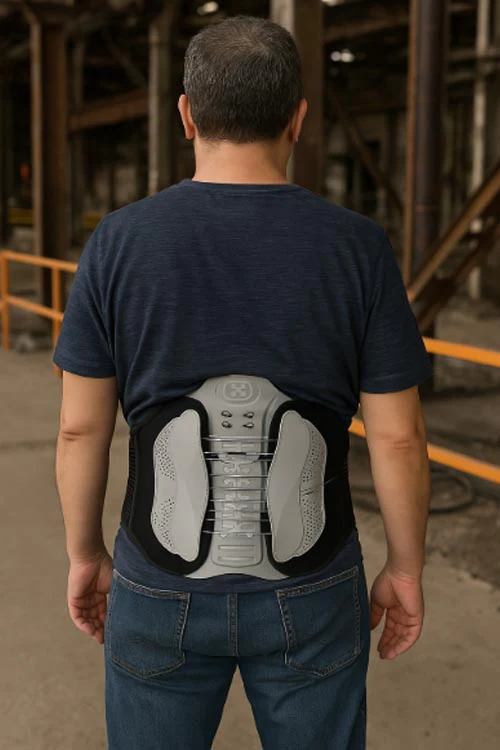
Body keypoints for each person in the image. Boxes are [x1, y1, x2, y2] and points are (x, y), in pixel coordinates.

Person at [54, 15, 431, 750]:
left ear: (186, 115)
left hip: (158, 581)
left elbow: (79, 428)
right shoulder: (356, 247)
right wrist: (406, 568)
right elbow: (399, 437)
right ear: (298, 120)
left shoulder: (119, 243)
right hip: (312, 585)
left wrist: (85, 555)